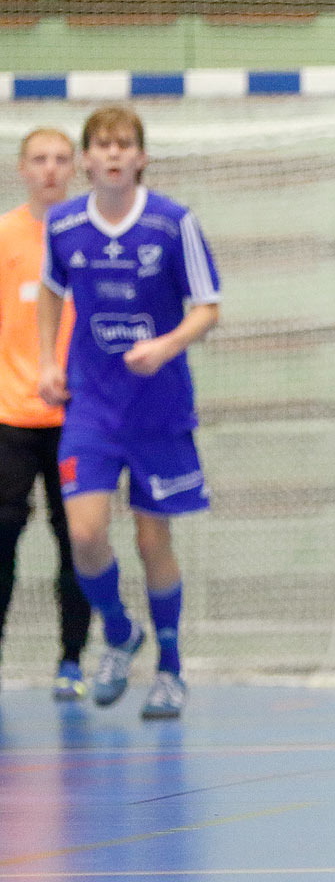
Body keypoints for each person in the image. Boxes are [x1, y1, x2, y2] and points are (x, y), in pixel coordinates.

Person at [37, 106, 221, 719]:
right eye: (102, 145)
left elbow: (207, 306)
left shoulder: (173, 224)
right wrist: (47, 361)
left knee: (150, 538)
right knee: (85, 532)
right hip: (92, 407)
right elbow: (51, 292)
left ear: (141, 156)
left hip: (159, 409)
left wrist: (167, 345)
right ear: (85, 159)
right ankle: (118, 632)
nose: (113, 155)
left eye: (125, 145)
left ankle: (170, 666)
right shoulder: (64, 225)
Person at [0, 129, 92, 699]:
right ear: (22, 168)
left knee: (78, 542)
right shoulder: (5, 236)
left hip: (78, 422)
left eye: (61, 159)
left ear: (75, 167)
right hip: (9, 418)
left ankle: (72, 662)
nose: (51, 170)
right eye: (40, 159)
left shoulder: (90, 236)